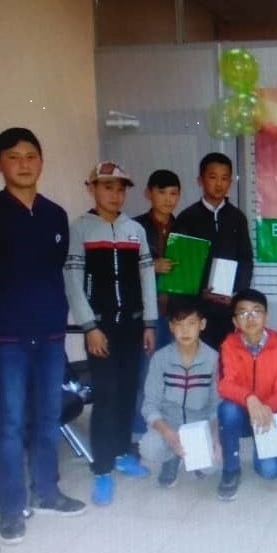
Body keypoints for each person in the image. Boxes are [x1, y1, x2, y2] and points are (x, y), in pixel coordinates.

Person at [0, 127, 85, 545]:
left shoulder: (54, 215)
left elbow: (53, 269)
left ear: (41, 161)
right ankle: (11, 509)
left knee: (48, 417)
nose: (23, 164)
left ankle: (48, 492)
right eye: (13, 157)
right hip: (5, 340)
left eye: (31, 156)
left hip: (49, 335)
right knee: (10, 424)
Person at [64, 161, 158, 506]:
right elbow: (73, 282)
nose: (115, 194)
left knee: (127, 391)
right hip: (100, 329)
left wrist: (149, 323)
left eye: (120, 188)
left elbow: (147, 278)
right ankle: (102, 468)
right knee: (106, 395)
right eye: (107, 187)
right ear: (91, 188)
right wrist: (89, 326)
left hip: (132, 326)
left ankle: (121, 453)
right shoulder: (81, 229)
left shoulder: (135, 230)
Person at [173, 153, 254, 350]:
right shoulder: (187, 218)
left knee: (228, 358)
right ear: (200, 180)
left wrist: (236, 293)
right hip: (196, 311)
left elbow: (245, 260)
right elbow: (180, 268)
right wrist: (199, 292)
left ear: (231, 182)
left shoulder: (237, 218)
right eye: (212, 177)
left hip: (229, 308)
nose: (219, 184)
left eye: (224, 178)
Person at [215, 289, 277, 501]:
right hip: (240, 411)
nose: (251, 318)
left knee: (270, 471)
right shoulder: (228, 345)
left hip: (266, 414)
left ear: (267, 316)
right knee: (227, 409)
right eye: (243, 313)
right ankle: (231, 469)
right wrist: (249, 397)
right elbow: (225, 385)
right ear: (235, 321)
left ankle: (261, 446)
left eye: (256, 311)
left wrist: (266, 408)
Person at [140, 296, 220, 488]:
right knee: (148, 448)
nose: (185, 330)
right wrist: (167, 432)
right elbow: (149, 405)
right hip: (169, 423)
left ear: (202, 324)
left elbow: (216, 405)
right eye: (179, 324)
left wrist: (215, 438)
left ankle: (195, 457)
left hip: (198, 426)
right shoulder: (160, 358)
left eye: (191, 323)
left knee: (212, 466)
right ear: (171, 327)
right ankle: (172, 458)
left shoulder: (213, 359)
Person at [134, 169, 182, 348]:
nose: (168, 199)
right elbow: (121, 266)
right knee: (147, 361)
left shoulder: (184, 227)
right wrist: (150, 266)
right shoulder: (134, 227)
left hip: (176, 312)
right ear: (148, 193)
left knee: (174, 361)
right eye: (161, 192)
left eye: (173, 193)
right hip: (144, 311)